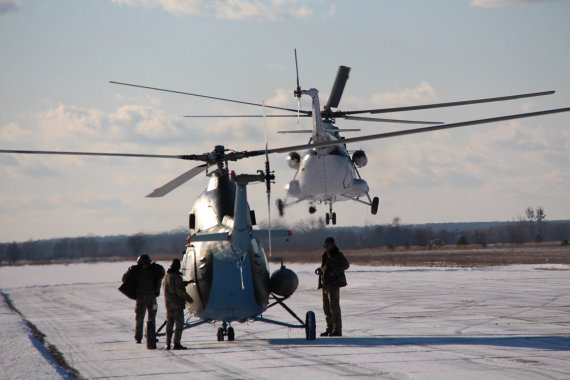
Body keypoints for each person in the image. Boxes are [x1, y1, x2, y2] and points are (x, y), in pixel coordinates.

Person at [121, 254, 165, 345]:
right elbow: (162, 273)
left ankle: (142, 337)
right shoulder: (152, 270)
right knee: (147, 318)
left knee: (142, 318)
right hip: (149, 297)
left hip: (143, 298)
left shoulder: (138, 271)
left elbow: (124, 279)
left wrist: (130, 270)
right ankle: (145, 337)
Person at [315, 237, 349, 337]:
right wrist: (320, 270)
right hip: (325, 284)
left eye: (327, 245)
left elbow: (346, 265)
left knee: (334, 308)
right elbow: (325, 266)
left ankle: (337, 330)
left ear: (332, 244)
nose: (326, 247)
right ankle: (329, 329)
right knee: (326, 308)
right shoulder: (326, 255)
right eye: (325, 245)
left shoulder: (338, 255)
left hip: (333, 285)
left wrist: (336, 272)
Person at [163, 258, 193, 350]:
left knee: (169, 325)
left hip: (168, 306)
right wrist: (190, 299)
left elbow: (173, 286)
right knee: (179, 325)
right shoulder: (176, 277)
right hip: (177, 306)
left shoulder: (167, 276)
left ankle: (167, 344)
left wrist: (187, 282)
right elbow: (179, 291)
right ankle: (176, 344)